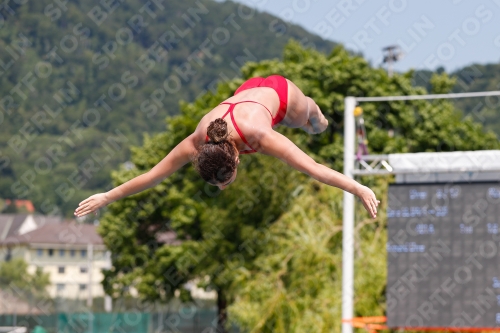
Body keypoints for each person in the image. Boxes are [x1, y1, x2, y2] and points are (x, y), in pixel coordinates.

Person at [74, 75, 380, 218]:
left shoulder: (260, 136)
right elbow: (153, 175)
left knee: (308, 120)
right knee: (298, 124)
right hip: (246, 92)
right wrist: (107, 196)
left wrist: (359, 189)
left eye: (225, 181)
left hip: (280, 95)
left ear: (235, 159)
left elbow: (313, 168)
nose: (223, 188)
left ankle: (319, 117)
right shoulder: (198, 140)